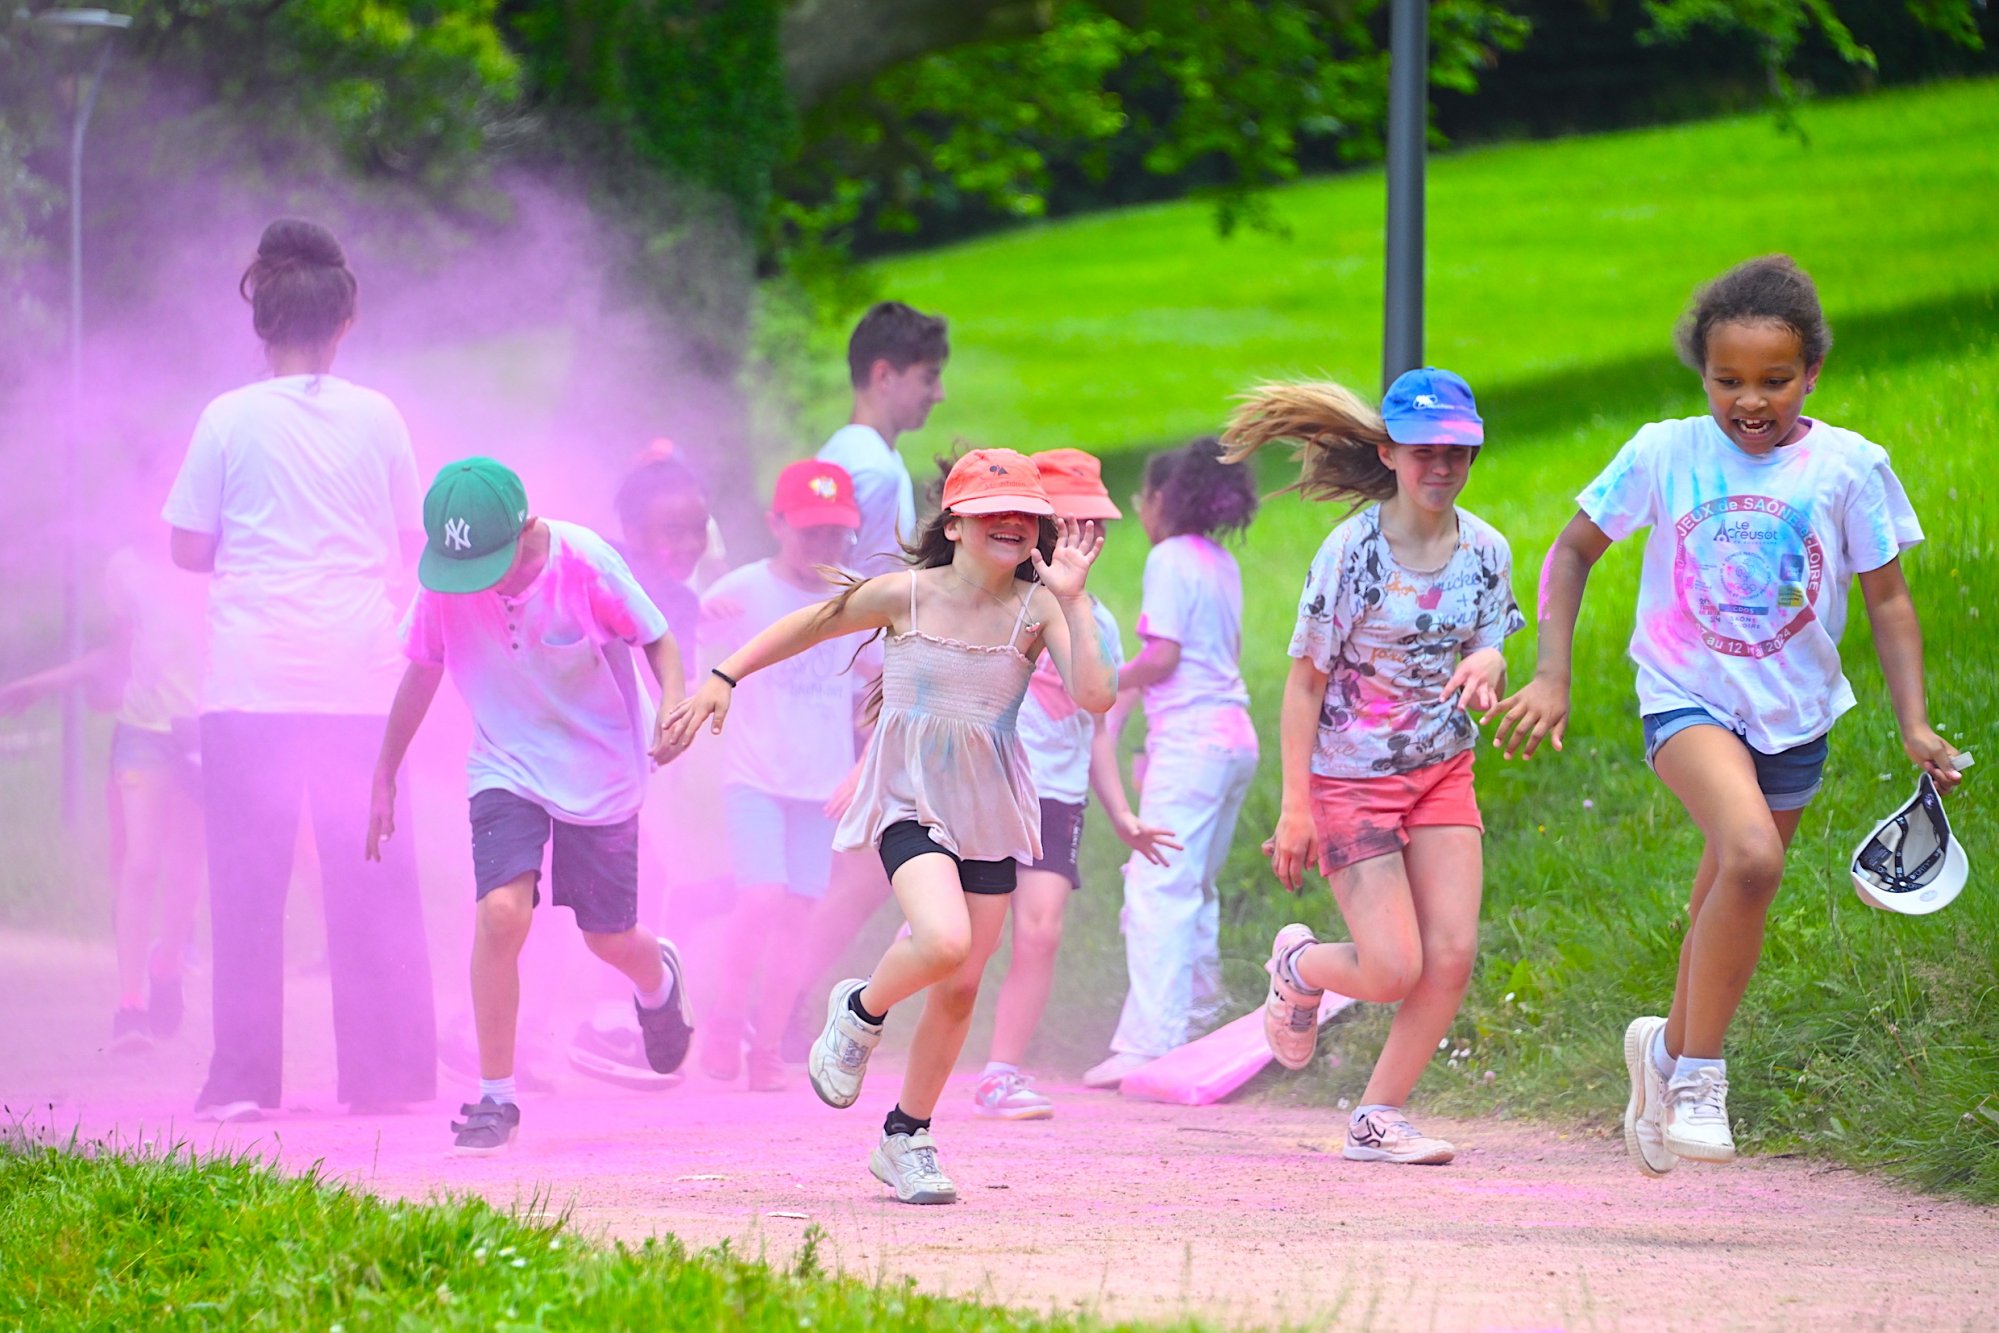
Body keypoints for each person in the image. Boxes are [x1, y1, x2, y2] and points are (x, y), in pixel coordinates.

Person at [1487, 255, 1961, 1172]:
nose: (1751, 400)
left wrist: (1914, 722)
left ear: (1811, 371)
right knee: (1751, 856)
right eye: (1727, 380)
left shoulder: (1849, 467)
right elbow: (1572, 550)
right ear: (1701, 374)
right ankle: (1699, 1073)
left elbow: (1889, 601)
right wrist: (1551, 671)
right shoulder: (1665, 450)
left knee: (1727, 887)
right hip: (1685, 695)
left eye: (1773, 380)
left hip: (1795, 713)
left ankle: (1661, 1053)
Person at [665, 449, 1116, 1204]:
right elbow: (808, 625)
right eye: (992, 512)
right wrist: (722, 678)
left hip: (989, 810)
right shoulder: (905, 594)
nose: (1010, 524)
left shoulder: (1040, 607)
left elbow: (1095, 696)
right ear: (956, 523)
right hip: (908, 800)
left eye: (1024, 515)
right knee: (944, 942)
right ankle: (861, 1006)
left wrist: (1071, 600)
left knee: (962, 984)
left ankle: (906, 1135)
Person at [163, 218, 436, 1123]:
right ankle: (388, 1077)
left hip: (253, 683)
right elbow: (409, 541)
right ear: (344, 323)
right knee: (370, 879)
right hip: (359, 680)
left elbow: (187, 545)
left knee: (246, 881)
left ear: (262, 324)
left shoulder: (226, 418)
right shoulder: (380, 415)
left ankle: (243, 1080)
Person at [1225, 369, 1524, 1166]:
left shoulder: (1486, 549)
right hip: (1349, 779)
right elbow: (1305, 680)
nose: (1441, 469)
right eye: (1424, 453)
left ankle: (1376, 1117)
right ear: (1389, 453)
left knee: (1450, 955)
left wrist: (1489, 661)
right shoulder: (1351, 552)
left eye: (1457, 454)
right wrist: (1295, 806)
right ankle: (1297, 964)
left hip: (1439, 769)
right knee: (1393, 967)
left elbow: (1490, 637)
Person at [366, 457, 695, 1155]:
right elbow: (421, 669)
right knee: (501, 912)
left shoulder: (584, 562)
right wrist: (384, 771)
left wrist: (673, 703)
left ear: (526, 530)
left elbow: (656, 638)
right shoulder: (447, 579)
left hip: (599, 761)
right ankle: (495, 1096)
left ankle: (656, 976)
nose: (478, 583)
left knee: (606, 937)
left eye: (491, 562)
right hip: (505, 761)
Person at [974, 448, 1178, 1120]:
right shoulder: (999, 604)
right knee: (962, 933)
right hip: (990, 787)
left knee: (1041, 931)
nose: (1092, 535)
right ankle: (868, 1010)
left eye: (1100, 522)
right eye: (1076, 521)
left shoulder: (1101, 624)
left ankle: (1001, 1070)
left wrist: (1121, 813)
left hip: (1058, 798)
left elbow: (1098, 727)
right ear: (1042, 525)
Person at [772, 300, 953, 1058]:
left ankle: (778, 1001)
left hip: (851, 685)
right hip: (863, 688)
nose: (935, 394)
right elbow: (851, 587)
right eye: (926, 377)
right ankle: (781, 1005)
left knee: (850, 864)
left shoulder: (849, 451)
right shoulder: (872, 470)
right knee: (860, 867)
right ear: (883, 374)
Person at [1083, 437, 1261, 1090]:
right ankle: (1200, 1017)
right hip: (1233, 738)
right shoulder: (1219, 562)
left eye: (1141, 499)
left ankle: (1149, 1042)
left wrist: (1100, 677)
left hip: (1191, 741)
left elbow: (1161, 658)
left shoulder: (1166, 559)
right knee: (1195, 887)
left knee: (1156, 887)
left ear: (1161, 499)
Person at [695, 459, 877, 1091]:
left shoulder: (856, 598)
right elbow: (700, 666)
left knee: (799, 915)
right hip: (754, 776)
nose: (824, 547)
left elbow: (885, 679)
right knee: (761, 896)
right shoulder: (741, 592)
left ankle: (766, 1046)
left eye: (837, 534)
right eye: (810, 533)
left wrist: (865, 764)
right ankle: (724, 1019)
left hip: (820, 786)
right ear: (777, 525)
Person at [0, 535, 205, 1051]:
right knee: (140, 863)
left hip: (202, 732)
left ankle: (167, 966)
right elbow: (117, 657)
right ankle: (130, 1006)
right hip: (141, 735)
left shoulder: (219, 556)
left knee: (185, 872)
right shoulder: (128, 569)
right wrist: (41, 685)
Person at [564, 443, 723, 1088]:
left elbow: (669, 681)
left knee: (638, 882)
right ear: (629, 534)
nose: (687, 543)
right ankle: (595, 1021)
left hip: (632, 769)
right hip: (577, 762)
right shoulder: (596, 576)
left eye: (696, 529)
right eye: (670, 531)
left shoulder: (681, 599)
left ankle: (615, 1020)